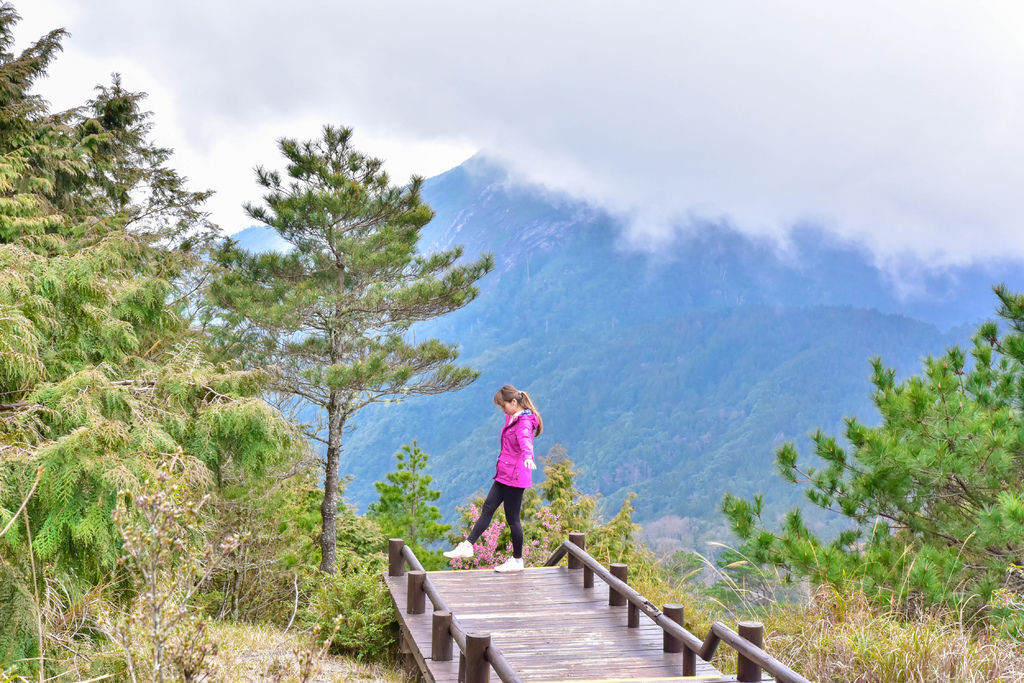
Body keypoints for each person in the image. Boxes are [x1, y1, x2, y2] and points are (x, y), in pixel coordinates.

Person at [444, 384, 543, 572]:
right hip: (504, 473)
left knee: (512, 518)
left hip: (515, 475)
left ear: (514, 403)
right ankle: (468, 545)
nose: (502, 409)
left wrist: (529, 456)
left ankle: (517, 560)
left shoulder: (523, 422)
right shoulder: (514, 416)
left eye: (504, 405)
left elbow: (525, 440)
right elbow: (514, 414)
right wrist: (517, 396)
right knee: (488, 507)